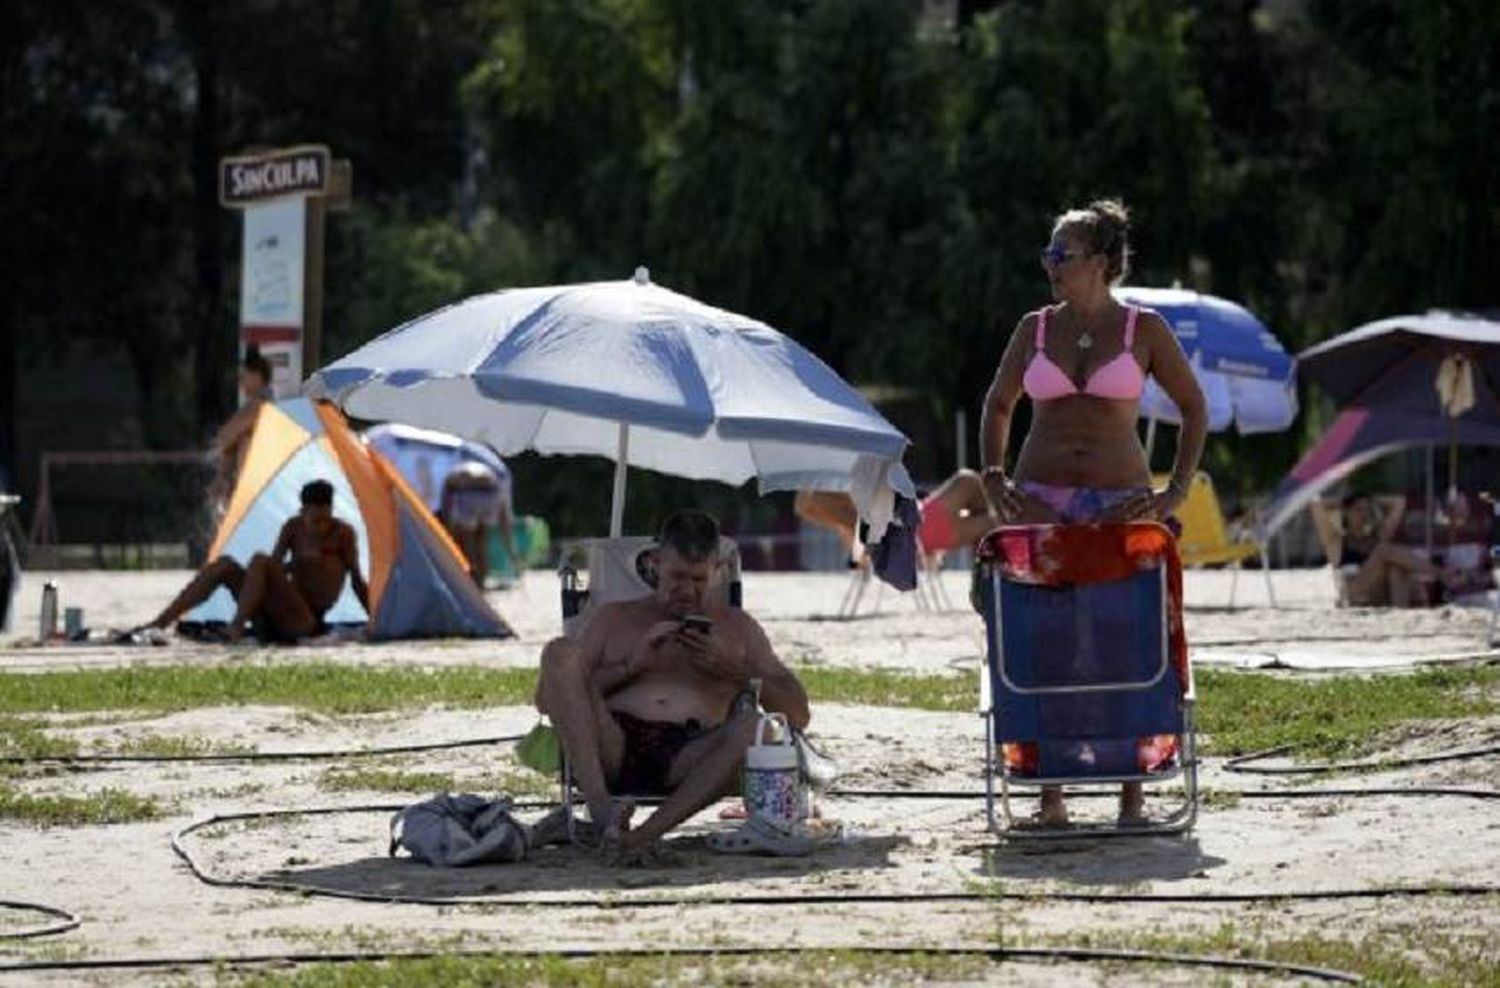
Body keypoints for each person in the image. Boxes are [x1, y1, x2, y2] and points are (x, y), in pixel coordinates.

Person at [978, 199, 1208, 828]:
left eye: (1063, 253)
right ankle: (1051, 795)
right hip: (1040, 500)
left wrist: (1177, 490)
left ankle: (1132, 793)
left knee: (1123, 643)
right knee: (1045, 644)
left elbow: (1194, 409)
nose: (1050, 263)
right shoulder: (1035, 329)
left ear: (1102, 263)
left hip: (1120, 503)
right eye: (1048, 252)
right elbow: (999, 404)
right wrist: (993, 474)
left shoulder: (1145, 329)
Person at [533, 509, 810, 862]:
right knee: (559, 653)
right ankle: (603, 815)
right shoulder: (614, 617)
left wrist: (733, 670)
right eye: (677, 576)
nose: (687, 590)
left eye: (698, 579)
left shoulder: (737, 628)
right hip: (611, 744)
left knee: (760, 727)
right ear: (655, 563)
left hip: (690, 753)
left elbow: (798, 713)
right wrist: (630, 667)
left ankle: (643, 835)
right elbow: (547, 699)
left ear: (716, 571)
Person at [138, 480, 369, 642]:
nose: (321, 528)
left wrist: (376, 619)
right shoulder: (293, 527)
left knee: (259, 560)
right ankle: (159, 623)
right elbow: (275, 569)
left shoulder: (343, 534)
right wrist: (297, 564)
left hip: (305, 621)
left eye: (325, 519)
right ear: (303, 512)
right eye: (315, 521)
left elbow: (357, 580)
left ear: (331, 510)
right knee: (225, 564)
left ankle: (236, 627)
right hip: (274, 615)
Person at [1311, 494, 1447, 607]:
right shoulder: (1336, 543)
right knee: (1383, 551)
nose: (1363, 514)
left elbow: (1399, 502)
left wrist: (1373, 500)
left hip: (1381, 597)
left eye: (1366, 510)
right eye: (1358, 510)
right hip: (1355, 597)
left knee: (1396, 568)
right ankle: (1443, 574)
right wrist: (1344, 501)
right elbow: (1315, 505)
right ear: (1346, 513)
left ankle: (1400, 613)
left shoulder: (1377, 538)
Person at [209, 346, 274, 509]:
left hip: (252, 487)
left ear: (257, 376)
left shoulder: (259, 406)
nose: (240, 382)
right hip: (247, 484)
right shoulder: (258, 405)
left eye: (243, 377)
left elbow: (224, 436)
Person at [439, 459, 521, 588]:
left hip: (467, 495)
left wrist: (449, 529)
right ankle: (481, 579)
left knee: (465, 543)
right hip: (491, 495)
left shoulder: (452, 476)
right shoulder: (489, 472)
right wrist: (510, 549)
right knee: (481, 543)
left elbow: (446, 507)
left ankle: (469, 578)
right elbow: (504, 516)